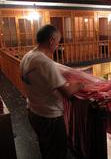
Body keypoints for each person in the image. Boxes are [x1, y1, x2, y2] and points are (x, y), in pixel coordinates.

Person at [20, 25, 84, 159]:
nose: (57, 45)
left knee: (46, 150)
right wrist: (80, 84)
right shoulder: (45, 63)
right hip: (49, 117)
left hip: (33, 111)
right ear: (51, 40)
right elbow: (67, 92)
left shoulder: (27, 56)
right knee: (57, 153)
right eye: (58, 42)